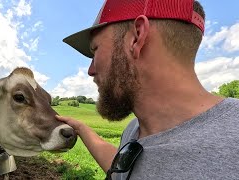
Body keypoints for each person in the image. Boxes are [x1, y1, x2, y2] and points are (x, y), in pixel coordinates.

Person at [56, 0, 239, 179]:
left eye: (95, 50)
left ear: (136, 37)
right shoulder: (134, 131)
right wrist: (81, 128)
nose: (91, 70)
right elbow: (125, 172)